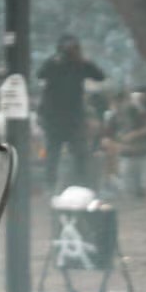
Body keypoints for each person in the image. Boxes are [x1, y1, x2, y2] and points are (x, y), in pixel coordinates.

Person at [34, 37, 106, 188]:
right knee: (53, 153)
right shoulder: (53, 64)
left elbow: (100, 76)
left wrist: (85, 61)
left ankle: (81, 183)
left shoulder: (80, 65)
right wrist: (53, 61)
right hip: (54, 117)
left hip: (74, 117)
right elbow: (39, 74)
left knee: (80, 152)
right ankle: (50, 184)